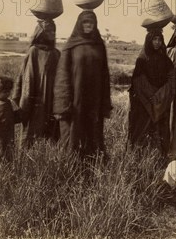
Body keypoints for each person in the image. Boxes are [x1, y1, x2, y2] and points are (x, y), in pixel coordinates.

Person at [53, 11, 112, 157]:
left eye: (91, 23)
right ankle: (71, 173)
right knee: (72, 141)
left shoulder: (99, 46)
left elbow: (105, 75)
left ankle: (91, 173)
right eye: (85, 22)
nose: (88, 25)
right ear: (79, 24)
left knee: (93, 138)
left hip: (94, 101)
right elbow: (62, 77)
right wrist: (62, 106)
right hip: (75, 101)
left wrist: (105, 104)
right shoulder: (71, 46)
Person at [13, 19, 61, 147]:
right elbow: (25, 77)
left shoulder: (56, 53)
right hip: (35, 102)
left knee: (50, 136)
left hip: (52, 100)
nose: (53, 34)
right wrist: (21, 99)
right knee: (31, 134)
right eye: (49, 31)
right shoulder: (33, 51)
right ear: (41, 33)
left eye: (54, 31)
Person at [128, 27, 176, 155]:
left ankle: (159, 158)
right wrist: (151, 95)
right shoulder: (142, 59)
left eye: (159, 39)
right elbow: (138, 81)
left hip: (161, 101)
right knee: (142, 129)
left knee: (160, 130)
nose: (157, 42)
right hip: (144, 102)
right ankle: (140, 158)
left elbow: (171, 78)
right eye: (154, 39)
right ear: (148, 41)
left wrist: (160, 95)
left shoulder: (166, 60)